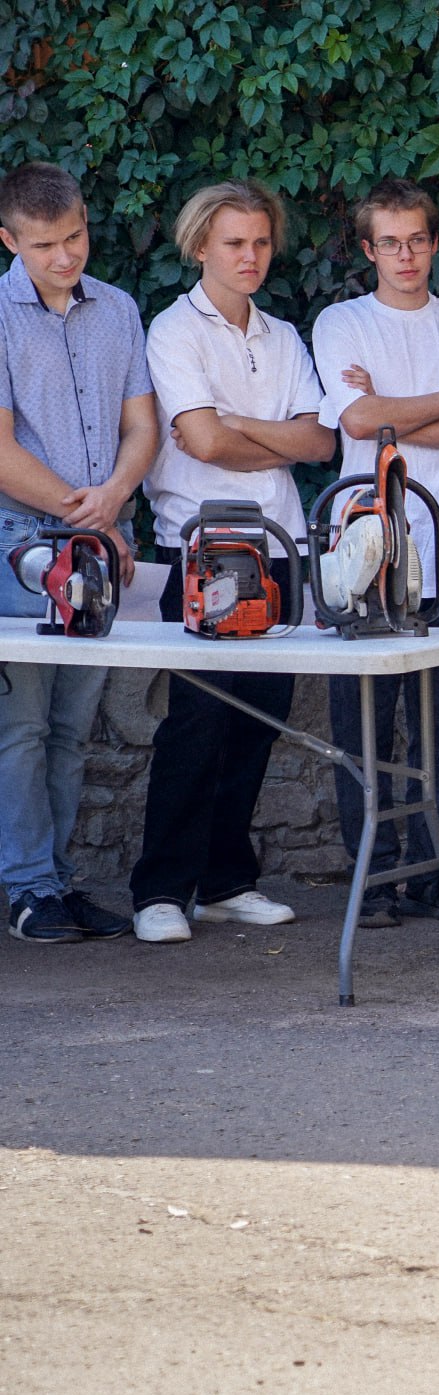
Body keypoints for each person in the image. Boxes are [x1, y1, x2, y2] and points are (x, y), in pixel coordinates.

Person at [133, 180, 334, 945]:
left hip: (280, 550)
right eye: (233, 244)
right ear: (199, 248)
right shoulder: (173, 331)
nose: (250, 257)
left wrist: (241, 423)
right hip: (201, 548)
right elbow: (200, 443)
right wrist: (267, 433)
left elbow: (319, 443)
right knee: (198, 721)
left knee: (258, 724)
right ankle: (159, 889)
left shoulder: (282, 336)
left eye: (259, 242)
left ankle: (223, 883)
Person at [311, 177, 439, 927]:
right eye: (389, 242)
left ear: (434, 242)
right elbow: (356, 421)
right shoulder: (341, 322)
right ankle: (377, 877)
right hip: (365, 556)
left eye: (417, 239)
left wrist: (397, 412)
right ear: (368, 249)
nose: (405, 255)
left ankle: (435, 875)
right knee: (365, 726)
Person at [0, 163, 156, 944]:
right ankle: (29, 892)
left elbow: (143, 427)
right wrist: (85, 515)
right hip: (18, 545)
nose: (67, 256)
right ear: (8, 241)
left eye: (77, 236)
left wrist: (112, 500)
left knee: (71, 730)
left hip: (96, 545)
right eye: (46, 245)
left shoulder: (118, 309)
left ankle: (58, 881)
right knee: (22, 729)